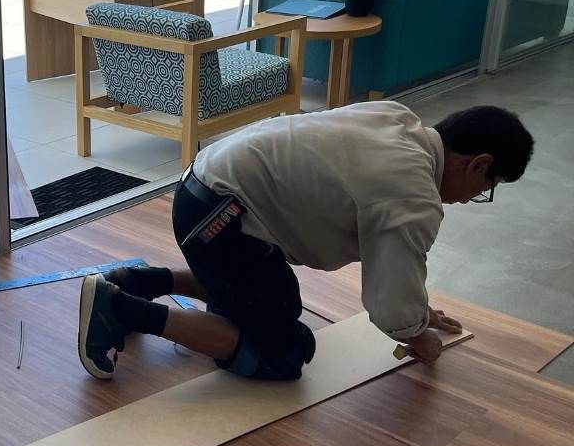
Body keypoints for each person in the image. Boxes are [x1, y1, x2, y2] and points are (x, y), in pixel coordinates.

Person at [77, 102, 534, 381]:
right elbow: (389, 304)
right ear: (477, 164)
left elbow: (397, 269)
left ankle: (135, 281)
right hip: (225, 219)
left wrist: (421, 311)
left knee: (250, 295)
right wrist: (419, 335)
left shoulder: (397, 120)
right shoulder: (413, 193)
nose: (474, 197)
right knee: (284, 352)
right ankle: (120, 308)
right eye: (486, 188)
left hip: (202, 189)